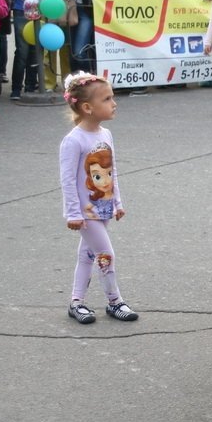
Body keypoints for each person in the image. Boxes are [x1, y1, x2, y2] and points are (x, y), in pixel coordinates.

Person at [60, 71, 137, 325]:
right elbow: (68, 180)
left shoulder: (105, 134)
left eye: (112, 98)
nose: (114, 103)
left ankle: (76, 302)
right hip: (86, 212)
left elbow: (112, 171)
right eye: (106, 99)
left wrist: (117, 202)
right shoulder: (73, 141)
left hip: (103, 207)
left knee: (87, 256)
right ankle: (114, 301)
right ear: (87, 107)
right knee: (106, 253)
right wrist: (73, 213)